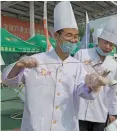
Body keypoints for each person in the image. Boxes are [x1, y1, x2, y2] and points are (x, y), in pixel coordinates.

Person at [2, 2, 108, 131]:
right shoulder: (36, 60)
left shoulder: (77, 66)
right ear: (57, 36)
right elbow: (8, 81)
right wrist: (18, 65)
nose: (73, 40)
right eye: (69, 35)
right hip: (35, 126)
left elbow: (84, 93)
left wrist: (92, 85)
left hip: (66, 126)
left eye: (75, 36)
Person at [74, 16, 117, 131]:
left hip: (100, 112)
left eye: (111, 45)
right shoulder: (81, 54)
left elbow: (113, 90)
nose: (108, 47)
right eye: (106, 42)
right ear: (99, 39)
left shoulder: (113, 64)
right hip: (79, 111)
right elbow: (73, 81)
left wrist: (113, 113)